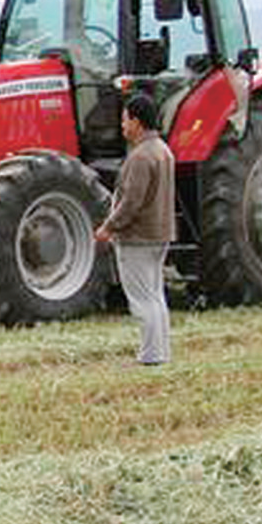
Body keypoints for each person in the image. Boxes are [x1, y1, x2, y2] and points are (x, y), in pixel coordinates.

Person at [95, 93, 175, 364]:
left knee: (141, 300)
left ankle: (151, 357)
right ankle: (161, 351)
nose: (122, 125)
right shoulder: (163, 151)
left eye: (125, 119)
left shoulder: (141, 157)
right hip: (160, 234)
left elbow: (131, 202)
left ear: (137, 122)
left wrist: (108, 227)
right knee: (155, 296)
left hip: (138, 238)